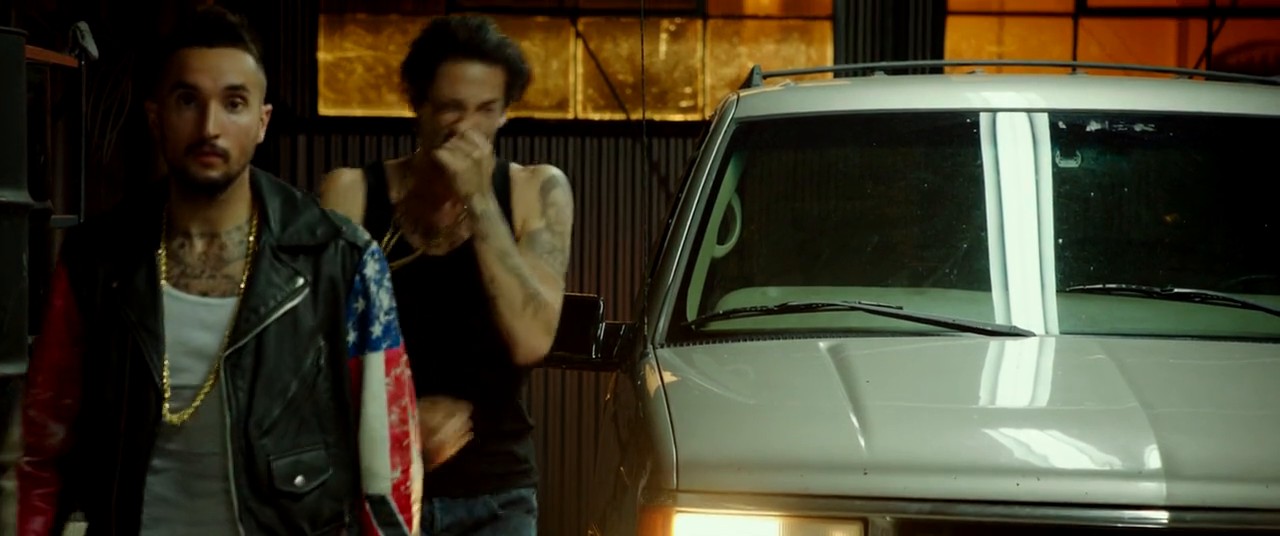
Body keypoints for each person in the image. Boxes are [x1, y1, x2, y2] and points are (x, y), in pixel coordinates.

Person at [17, 6, 422, 535]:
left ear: (262, 122)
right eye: (188, 100)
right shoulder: (97, 258)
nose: (210, 127)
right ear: (156, 117)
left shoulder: (338, 258)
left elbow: (387, 462)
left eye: (233, 103)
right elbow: (40, 452)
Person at [319, 14, 574, 536]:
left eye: (486, 110)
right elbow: (315, 353)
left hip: (494, 496)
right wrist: (401, 422)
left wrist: (480, 198)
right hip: (374, 483)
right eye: (451, 108)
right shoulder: (351, 193)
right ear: (419, 105)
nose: (465, 129)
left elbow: (531, 340)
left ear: (505, 112)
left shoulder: (537, 190)